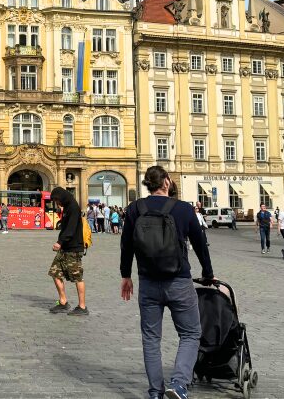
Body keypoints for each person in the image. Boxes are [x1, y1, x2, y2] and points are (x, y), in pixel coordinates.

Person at [121, 166, 214, 399]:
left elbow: (126, 245)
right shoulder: (183, 209)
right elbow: (200, 244)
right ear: (165, 183)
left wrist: (126, 276)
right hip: (179, 280)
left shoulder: (135, 208)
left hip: (148, 282)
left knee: (151, 339)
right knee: (191, 334)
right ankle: (179, 384)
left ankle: (155, 392)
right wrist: (208, 272)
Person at [48, 187, 88, 316]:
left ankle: (82, 306)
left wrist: (59, 242)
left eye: (57, 200)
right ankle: (63, 301)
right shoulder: (67, 208)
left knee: (77, 277)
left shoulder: (73, 208)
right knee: (55, 272)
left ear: (62, 197)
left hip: (73, 248)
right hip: (65, 248)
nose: (56, 203)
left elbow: (70, 229)